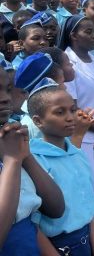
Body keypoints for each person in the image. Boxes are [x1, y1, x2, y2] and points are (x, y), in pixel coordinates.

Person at [28, 80, 94, 255]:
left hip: (86, 242)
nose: (70, 117)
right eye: (60, 112)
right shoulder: (35, 162)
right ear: (38, 121)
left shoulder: (76, 153)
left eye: (73, 110)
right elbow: (32, 224)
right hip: (58, 247)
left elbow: (88, 209)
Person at [0, 69, 64, 255]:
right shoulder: (10, 153)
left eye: (8, 89)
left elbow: (56, 208)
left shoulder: (9, 140)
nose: (5, 98)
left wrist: (25, 155)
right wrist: (12, 161)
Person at [58, 15, 94, 195]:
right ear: (73, 35)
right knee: (85, 188)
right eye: (88, 32)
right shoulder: (67, 64)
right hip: (82, 138)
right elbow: (73, 108)